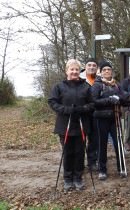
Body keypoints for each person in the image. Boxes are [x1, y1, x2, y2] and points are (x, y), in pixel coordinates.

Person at [48, 59, 94, 191]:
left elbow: (92, 104)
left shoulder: (86, 87)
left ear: (80, 71)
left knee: (80, 152)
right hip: (65, 124)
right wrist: (66, 110)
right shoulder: (59, 86)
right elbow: (52, 101)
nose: (74, 72)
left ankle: (78, 178)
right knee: (68, 152)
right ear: (66, 71)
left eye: (76, 69)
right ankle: (68, 178)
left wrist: (82, 109)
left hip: (81, 124)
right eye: (71, 69)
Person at [91, 61, 127, 180]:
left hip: (115, 117)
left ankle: (121, 168)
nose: (107, 71)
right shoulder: (97, 85)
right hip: (101, 119)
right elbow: (94, 102)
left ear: (112, 71)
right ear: (100, 72)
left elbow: (123, 97)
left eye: (109, 69)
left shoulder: (116, 84)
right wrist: (109, 100)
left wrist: (121, 99)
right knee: (102, 144)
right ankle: (102, 170)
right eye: (104, 70)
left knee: (119, 143)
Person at [79, 58, 100, 171]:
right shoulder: (78, 78)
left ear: (97, 68)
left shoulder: (100, 80)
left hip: (96, 114)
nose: (92, 67)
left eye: (94, 65)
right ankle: (79, 162)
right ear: (85, 66)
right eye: (89, 65)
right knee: (81, 140)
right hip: (82, 114)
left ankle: (92, 162)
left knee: (94, 139)